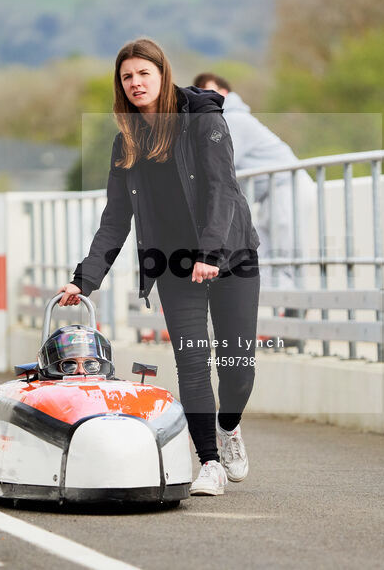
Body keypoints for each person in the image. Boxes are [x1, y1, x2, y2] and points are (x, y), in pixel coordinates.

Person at [58, 39, 260, 496]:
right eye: (127, 77)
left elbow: (222, 188)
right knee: (191, 362)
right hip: (172, 264)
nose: (135, 83)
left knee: (238, 365)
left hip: (231, 254)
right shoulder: (126, 142)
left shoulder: (203, 120)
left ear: (162, 75)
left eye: (143, 74)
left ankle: (228, 427)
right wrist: (84, 279)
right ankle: (208, 461)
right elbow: (115, 220)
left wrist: (210, 252)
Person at [192, 73, 312, 294]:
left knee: (285, 254)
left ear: (224, 93)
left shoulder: (234, 120)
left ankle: (296, 306)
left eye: (209, 92)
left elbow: (218, 162)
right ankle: (283, 312)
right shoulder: (222, 121)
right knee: (268, 257)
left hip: (288, 185)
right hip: (271, 193)